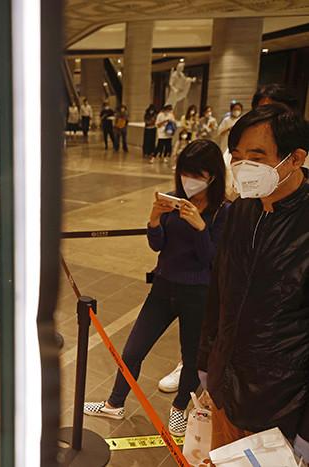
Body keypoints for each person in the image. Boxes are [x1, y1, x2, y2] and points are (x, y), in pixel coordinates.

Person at [85, 139, 229, 436]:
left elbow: (212, 259)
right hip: (162, 288)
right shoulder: (174, 200)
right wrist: (154, 219)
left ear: (213, 175)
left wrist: (200, 227)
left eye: (197, 174)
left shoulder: (223, 211)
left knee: (191, 358)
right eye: (185, 172)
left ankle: (179, 407)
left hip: (198, 294)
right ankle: (115, 403)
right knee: (132, 350)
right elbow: (158, 245)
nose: (189, 180)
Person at [198, 104, 309, 463]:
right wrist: (206, 362)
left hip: (280, 407)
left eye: (257, 157)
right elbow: (218, 293)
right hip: (224, 389)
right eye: (237, 156)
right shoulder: (240, 212)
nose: (244, 166)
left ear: (295, 159)